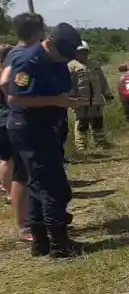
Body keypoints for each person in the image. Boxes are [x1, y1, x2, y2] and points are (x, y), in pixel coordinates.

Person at [4, 21, 83, 257]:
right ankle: (60, 245)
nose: (67, 59)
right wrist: (57, 102)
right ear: (50, 43)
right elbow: (15, 99)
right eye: (65, 54)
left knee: (38, 185)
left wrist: (65, 99)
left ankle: (40, 242)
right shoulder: (29, 61)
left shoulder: (58, 61)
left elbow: (59, 89)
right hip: (29, 130)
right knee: (53, 188)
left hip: (48, 129)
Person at [0, 14, 45, 243]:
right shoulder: (18, 54)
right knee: (21, 174)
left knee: (28, 172)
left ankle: (33, 221)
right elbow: (5, 80)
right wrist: (15, 100)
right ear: (37, 31)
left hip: (20, 121)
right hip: (18, 122)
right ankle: (23, 226)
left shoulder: (17, 53)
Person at [68, 43, 113, 150]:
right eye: (80, 52)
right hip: (80, 101)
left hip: (96, 100)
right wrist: (71, 98)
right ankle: (81, 147)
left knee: (98, 122)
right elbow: (68, 84)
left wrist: (107, 93)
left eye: (85, 52)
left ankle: (100, 144)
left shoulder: (95, 65)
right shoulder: (71, 66)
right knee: (82, 124)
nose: (83, 55)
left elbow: (103, 81)